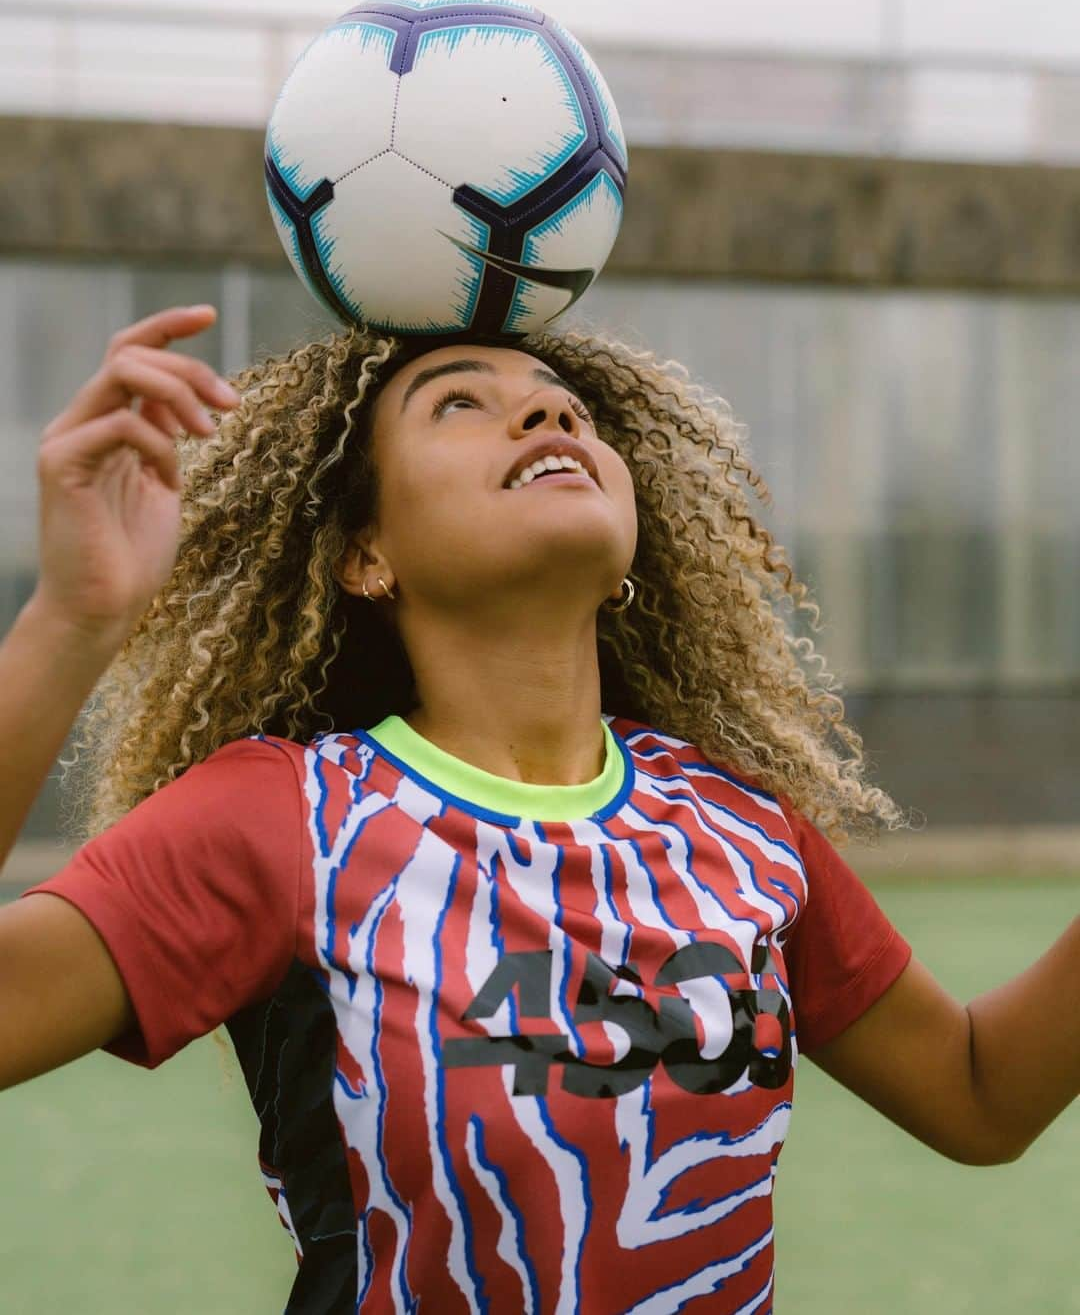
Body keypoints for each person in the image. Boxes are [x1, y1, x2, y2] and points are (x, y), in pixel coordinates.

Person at [0, 303, 1075, 1314]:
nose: (550, 411)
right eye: (459, 402)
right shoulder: (283, 820)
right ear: (365, 554)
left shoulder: (741, 829)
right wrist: (71, 621)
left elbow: (981, 1094)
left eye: (571, 404)